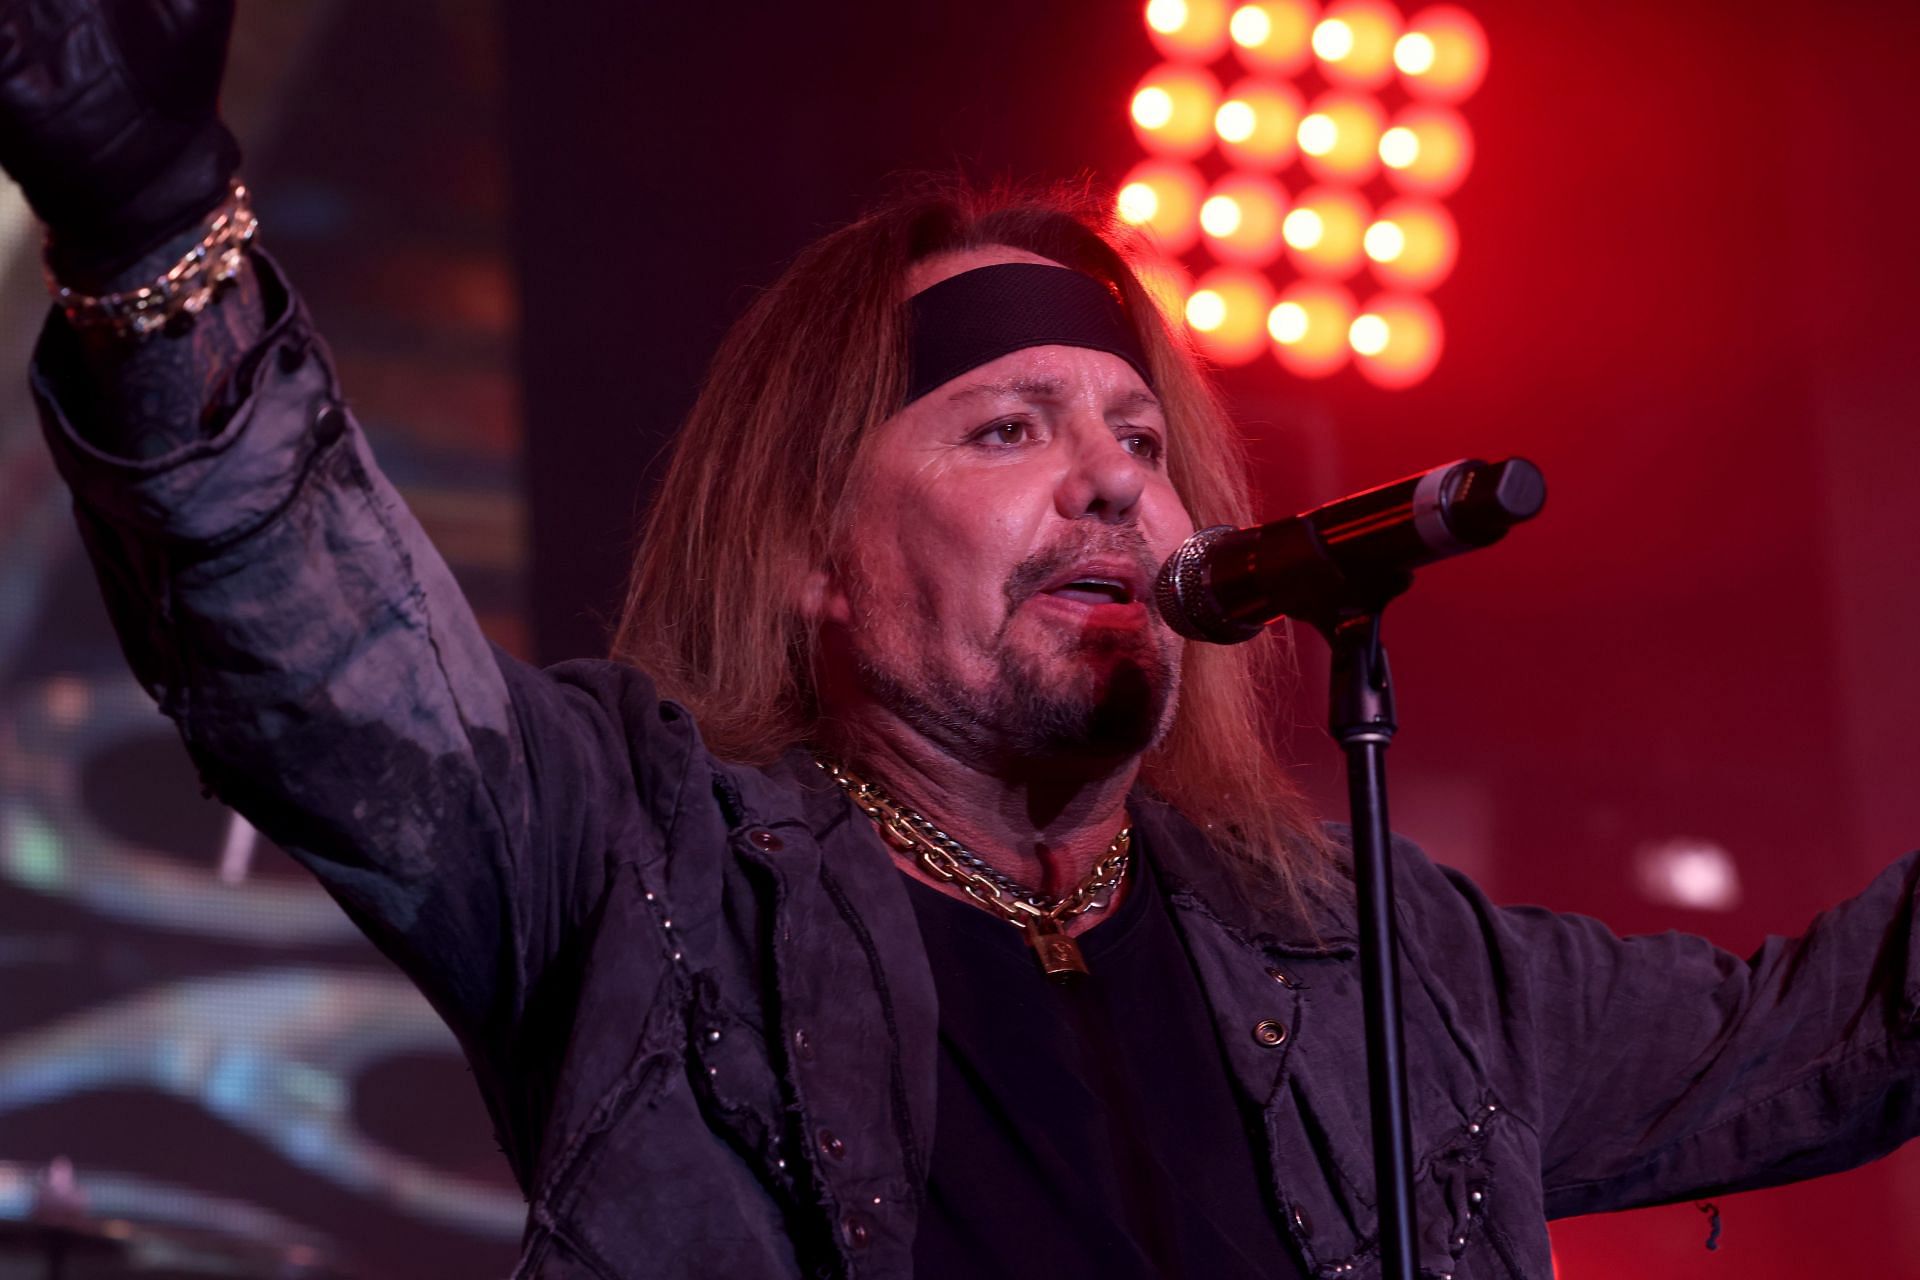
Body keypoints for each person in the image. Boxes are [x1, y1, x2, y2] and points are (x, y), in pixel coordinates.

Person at [10, 3, 1920, 1278]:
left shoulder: (1377, 957)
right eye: (1008, 428)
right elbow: (321, 645)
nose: (1112, 488)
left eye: (1143, 441)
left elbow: (1825, 1035)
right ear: (811, 561)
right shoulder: (644, 860)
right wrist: (154, 226)